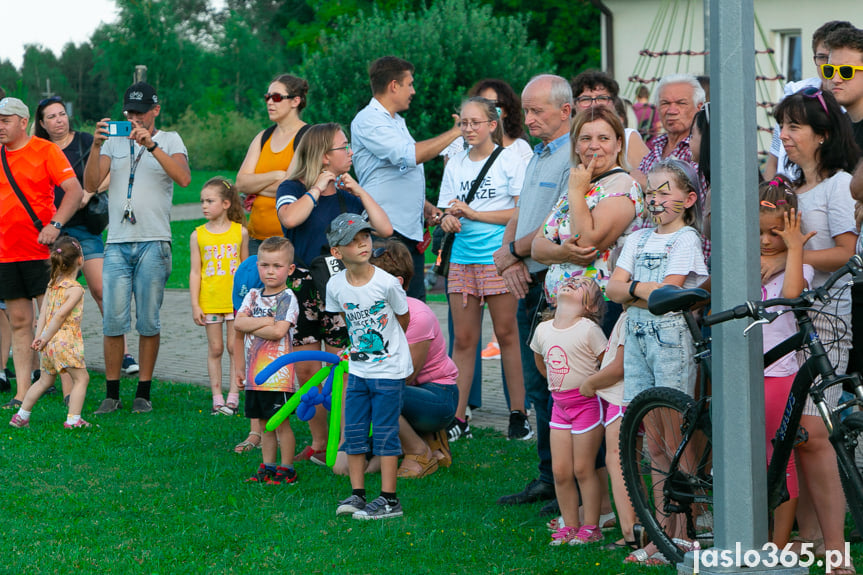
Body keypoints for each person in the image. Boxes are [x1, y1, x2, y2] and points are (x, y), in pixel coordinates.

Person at [767, 86, 858, 570]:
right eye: (782, 126)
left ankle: (833, 545)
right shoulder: (788, 187)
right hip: (784, 326)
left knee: (814, 435)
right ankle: (808, 540)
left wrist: (786, 258)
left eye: (794, 126)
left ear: (822, 136)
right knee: (796, 438)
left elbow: (847, 252)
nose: (784, 136)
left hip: (825, 326)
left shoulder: (839, 185)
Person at [606, 158, 708, 563]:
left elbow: (671, 293)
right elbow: (614, 290)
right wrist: (639, 290)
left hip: (669, 341)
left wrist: (631, 288)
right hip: (637, 339)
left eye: (666, 191)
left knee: (674, 435)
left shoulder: (686, 239)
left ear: (688, 199)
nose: (656, 198)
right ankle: (663, 533)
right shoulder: (637, 238)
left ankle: (685, 532)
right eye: (651, 191)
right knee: (652, 441)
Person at [276, 122, 392, 462]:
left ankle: (346, 442)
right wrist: (316, 189)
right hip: (304, 286)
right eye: (344, 147)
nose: (350, 152)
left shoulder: (347, 194)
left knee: (345, 366)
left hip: (343, 286)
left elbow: (385, 228)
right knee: (308, 368)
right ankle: (319, 441)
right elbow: (290, 218)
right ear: (325, 156)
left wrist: (360, 192)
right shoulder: (293, 186)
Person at [493, 74, 576, 510]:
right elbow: (523, 212)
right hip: (528, 278)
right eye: (525, 110)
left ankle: (569, 481)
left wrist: (510, 254)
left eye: (536, 110)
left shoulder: (573, 158)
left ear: (566, 111)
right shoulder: (537, 155)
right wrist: (507, 257)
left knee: (559, 384)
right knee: (537, 385)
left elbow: (558, 227)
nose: (527, 119)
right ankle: (548, 475)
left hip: (556, 284)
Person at [84, 81, 191, 415]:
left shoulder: (170, 139)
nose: (135, 118)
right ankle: (111, 393)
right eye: (129, 112)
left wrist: (152, 144)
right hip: (116, 242)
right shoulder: (113, 142)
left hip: (154, 240)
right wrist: (95, 145)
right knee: (113, 322)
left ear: (155, 110)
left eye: (141, 112)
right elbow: (90, 184)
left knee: (149, 320)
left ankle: (143, 392)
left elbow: (184, 178)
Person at [437, 97, 529, 441]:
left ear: (493, 125)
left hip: (498, 258)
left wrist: (476, 215)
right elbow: (447, 208)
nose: (468, 129)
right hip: (462, 259)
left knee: (507, 335)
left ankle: (518, 414)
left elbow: (519, 213)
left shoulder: (510, 160)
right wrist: (447, 219)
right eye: (463, 123)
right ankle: (457, 418)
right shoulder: (455, 163)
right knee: (463, 339)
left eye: (476, 122)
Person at [34, 96, 140, 377]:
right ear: (42, 124)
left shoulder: (84, 141)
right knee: (53, 296)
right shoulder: (40, 149)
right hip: (53, 229)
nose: (59, 120)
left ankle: (124, 353)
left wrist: (89, 191)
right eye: (52, 117)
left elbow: (109, 173)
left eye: (62, 114)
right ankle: (48, 359)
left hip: (85, 227)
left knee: (102, 290)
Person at [351, 56, 462, 300]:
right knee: (387, 312)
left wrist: (423, 206)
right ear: (394, 86)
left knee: (414, 312)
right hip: (385, 235)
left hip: (406, 234)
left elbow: (391, 177)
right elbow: (408, 156)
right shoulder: (368, 120)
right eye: (409, 84)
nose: (413, 91)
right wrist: (456, 133)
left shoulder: (396, 121)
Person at [325, 213, 412, 520]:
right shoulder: (335, 286)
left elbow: (403, 318)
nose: (362, 243)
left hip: (388, 370)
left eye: (365, 237)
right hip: (358, 370)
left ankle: (389, 500)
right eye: (352, 240)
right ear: (337, 252)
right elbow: (345, 322)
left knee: (387, 433)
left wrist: (387, 348)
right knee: (355, 431)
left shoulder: (387, 283)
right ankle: (358, 495)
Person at [0, 97, 83, 409]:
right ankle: (22, 394)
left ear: (23, 123)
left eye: (5, 120)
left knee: (53, 320)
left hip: (41, 251)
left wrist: (55, 223)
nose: (0, 126)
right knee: (20, 322)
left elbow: (74, 190)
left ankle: (67, 392)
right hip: (6, 253)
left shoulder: (45, 150)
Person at [532, 105, 645, 333]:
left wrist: (575, 193)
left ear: (619, 144)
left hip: (598, 309)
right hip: (558, 307)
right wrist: (562, 253)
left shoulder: (622, 186)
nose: (594, 145)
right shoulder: (581, 183)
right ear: (576, 146)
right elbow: (536, 247)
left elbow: (587, 244)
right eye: (585, 138)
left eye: (603, 138)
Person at [758, 177, 816, 547]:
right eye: (760, 232)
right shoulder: (747, 262)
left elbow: (792, 295)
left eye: (775, 234)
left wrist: (793, 251)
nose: (765, 241)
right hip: (743, 371)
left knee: (780, 461)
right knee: (754, 459)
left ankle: (776, 545)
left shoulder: (800, 267)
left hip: (779, 375)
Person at [369, 240, 458, 478]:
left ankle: (418, 451)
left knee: (376, 392)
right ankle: (428, 441)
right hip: (408, 395)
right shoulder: (373, 313)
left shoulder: (416, 315)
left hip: (439, 396)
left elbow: (406, 377)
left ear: (396, 284)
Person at [530, 277, 607, 546]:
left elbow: (606, 364)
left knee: (584, 469)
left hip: (587, 406)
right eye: (571, 280)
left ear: (592, 306)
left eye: (584, 284)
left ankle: (591, 526)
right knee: (561, 471)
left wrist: (591, 385)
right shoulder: (542, 329)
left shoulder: (589, 329)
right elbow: (541, 362)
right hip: (559, 407)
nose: (573, 282)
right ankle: (570, 525)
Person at [234, 237, 300, 484]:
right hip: (254, 374)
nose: (270, 271)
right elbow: (238, 325)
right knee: (263, 425)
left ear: (289, 269)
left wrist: (258, 325)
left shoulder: (287, 298)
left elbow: (278, 332)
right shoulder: (252, 295)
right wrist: (268, 321)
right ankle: (268, 467)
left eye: (277, 266)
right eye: (264, 265)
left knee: (280, 423)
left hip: (278, 376)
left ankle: (288, 468)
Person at [9, 237, 90, 429]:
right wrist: (43, 338)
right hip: (65, 342)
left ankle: (21, 416)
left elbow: (43, 313)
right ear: (79, 260)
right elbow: (61, 315)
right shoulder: (76, 289)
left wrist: (40, 338)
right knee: (82, 378)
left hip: (48, 343)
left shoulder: (51, 285)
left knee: (44, 380)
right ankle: (73, 420)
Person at [763, 21, 856, 181]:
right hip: (787, 193)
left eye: (832, 58)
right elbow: (774, 157)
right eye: (822, 57)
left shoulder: (850, 106)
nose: (828, 65)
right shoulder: (796, 95)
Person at [823, 27, 863, 383]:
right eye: (830, 70)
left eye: (847, 71)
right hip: (844, 284)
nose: (836, 78)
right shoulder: (835, 131)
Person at [190, 177, 248, 415]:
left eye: (210, 201)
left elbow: (245, 268)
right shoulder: (198, 235)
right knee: (215, 349)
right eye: (202, 201)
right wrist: (195, 304)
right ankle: (217, 397)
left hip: (235, 303)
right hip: (210, 302)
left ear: (225, 204)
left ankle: (234, 394)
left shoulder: (240, 232)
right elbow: (195, 272)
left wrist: (248, 301)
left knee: (235, 348)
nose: (204, 205)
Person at [237, 74, 310, 256]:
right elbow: (241, 183)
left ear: (295, 101)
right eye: (267, 97)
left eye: (277, 97)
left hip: (289, 243)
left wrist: (255, 188)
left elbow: (292, 188)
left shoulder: (307, 136)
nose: (270, 102)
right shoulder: (263, 137)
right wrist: (276, 175)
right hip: (256, 242)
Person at [634, 74, 705, 187]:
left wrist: (646, 184)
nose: (672, 111)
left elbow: (691, 195)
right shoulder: (656, 148)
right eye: (665, 103)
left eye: (681, 103)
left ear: (699, 107)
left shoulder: (701, 150)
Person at [570, 69, 649, 172]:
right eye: (586, 99)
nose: (594, 105)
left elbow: (650, 182)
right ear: (574, 105)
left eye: (602, 98)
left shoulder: (628, 138)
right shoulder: (567, 140)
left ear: (613, 103)